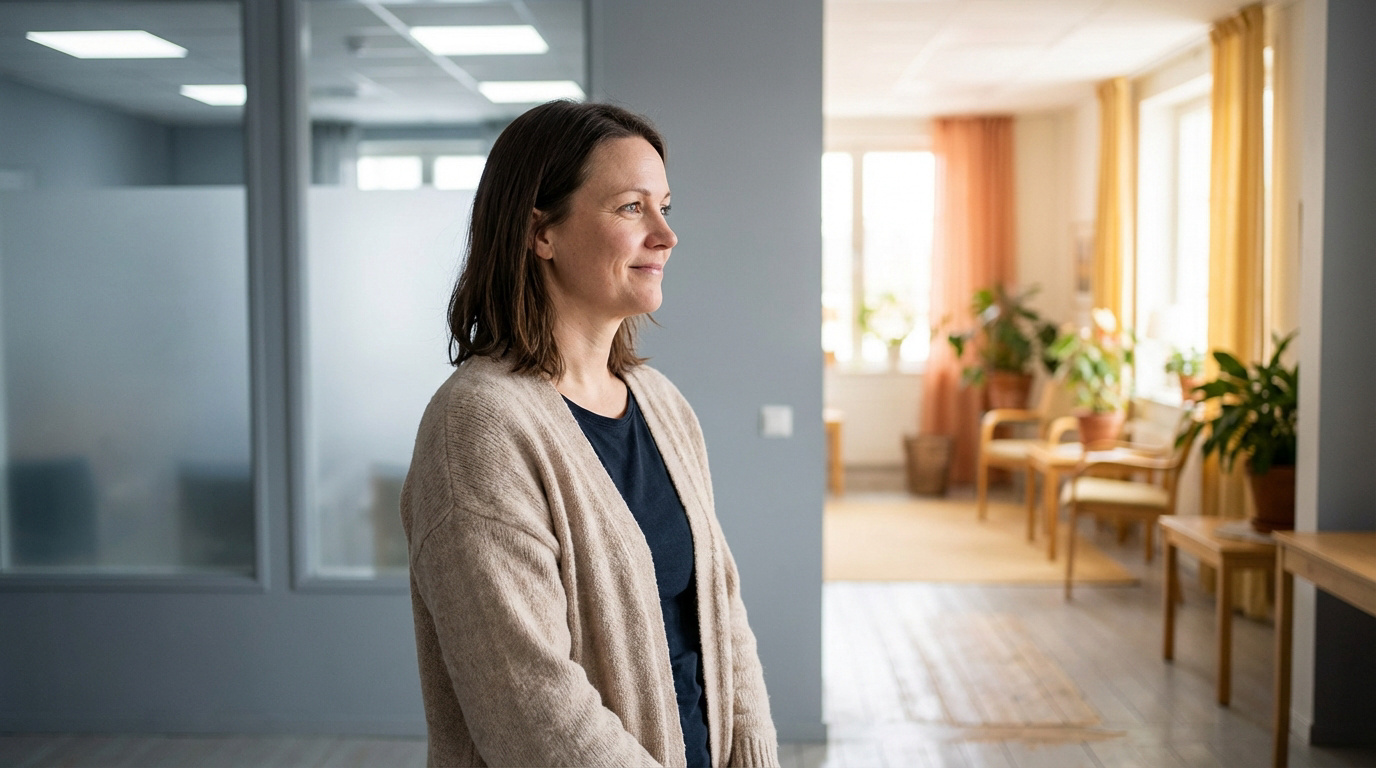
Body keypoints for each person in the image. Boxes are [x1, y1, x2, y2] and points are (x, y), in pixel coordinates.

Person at [400, 100, 779, 768]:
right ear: (540, 232)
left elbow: (722, 614)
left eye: (665, 206)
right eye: (632, 207)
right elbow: (531, 707)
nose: (666, 235)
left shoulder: (661, 403)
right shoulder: (478, 428)